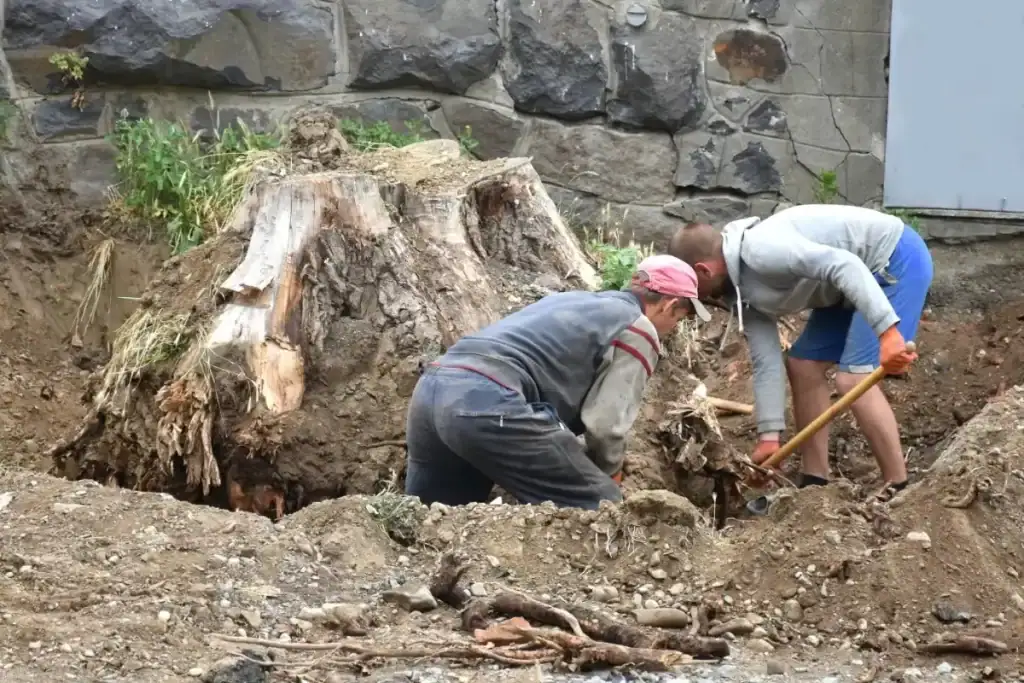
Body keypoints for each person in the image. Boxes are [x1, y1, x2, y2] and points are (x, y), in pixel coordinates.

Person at [404, 255, 711, 509]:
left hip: (432, 388)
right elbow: (606, 426)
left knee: (432, 518)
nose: (672, 328)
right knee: (601, 507)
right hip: (485, 401)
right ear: (669, 305)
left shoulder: (573, 300)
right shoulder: (638, 328)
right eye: (679, 319)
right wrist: (608, 479)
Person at [668, 204, 933, 497]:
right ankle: (815, 483)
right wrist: (769, 437)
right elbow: (766, 361)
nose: (700, 300)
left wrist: (887, 332)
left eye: (695, 292)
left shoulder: (760, 251)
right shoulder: (739, 294)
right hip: (842, 289)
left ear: (703, 270)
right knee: (803, 365)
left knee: (853, 379)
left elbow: (845, 265)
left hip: (893, 260)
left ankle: (898, 486)